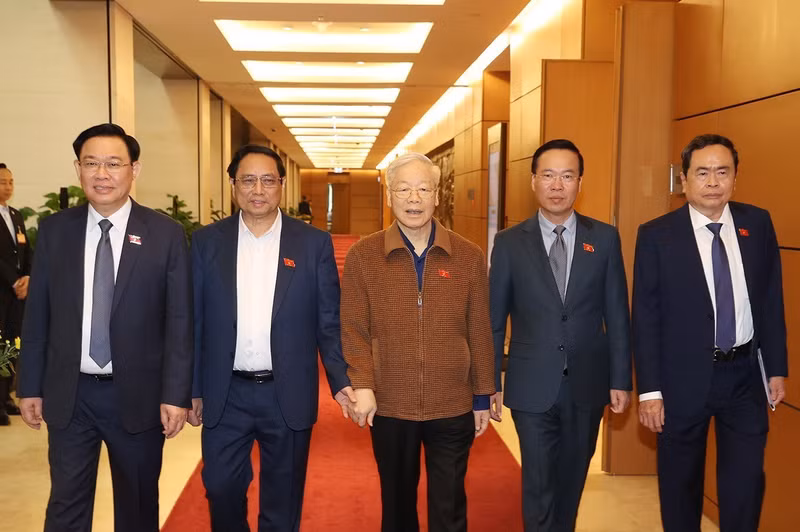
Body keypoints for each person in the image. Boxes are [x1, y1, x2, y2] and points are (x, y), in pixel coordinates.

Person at [16, 123, 193, 531]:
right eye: (91, 163)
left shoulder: (164, 234)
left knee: (136, 506)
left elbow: (180, 321)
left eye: (114, 164)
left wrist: (175, 393)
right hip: (70, 395)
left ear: (135, 169)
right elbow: (38, 313)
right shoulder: (57, 231)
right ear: (77, 169)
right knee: (66, 505)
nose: (102, 174)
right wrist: (30, 385)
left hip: (138, 397)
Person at [189, 144, 354, 532]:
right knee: (220, 487)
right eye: (247, 180)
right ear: (233, 186)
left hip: (287, 391)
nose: (257, 189)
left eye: (267, 180)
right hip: (225, 391)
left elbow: (328, 321)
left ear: (281, 185)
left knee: (283, 497)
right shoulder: (207, 243)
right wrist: (191, 388)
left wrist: (341, 380)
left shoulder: (312, 244)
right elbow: (192, 322)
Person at [633, 134, 787, 532]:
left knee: (745, 486)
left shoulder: (758, 223)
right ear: (684, 180)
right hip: (681, 380)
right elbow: (646, 317)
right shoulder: (656, 235)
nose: (713, 181)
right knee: (681, 490)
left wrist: (777, 368)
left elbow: (771, 301)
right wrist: (649, 391)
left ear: (735, 178)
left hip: (744, 379)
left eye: (723, 171)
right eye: (702, 172)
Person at [342, 152, 495, 532]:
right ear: (390, 196)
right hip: (390, 404)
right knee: (396, 507)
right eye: (404, 189)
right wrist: (362, 384)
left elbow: (479, 328)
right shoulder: (364, 256)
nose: (414, 198)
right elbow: (353, 328)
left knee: (449, 507)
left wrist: (482, 394)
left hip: (452, 404)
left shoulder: (468, 256)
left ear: (437, 196)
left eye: (423, 189)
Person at [489, 139, 632, 531]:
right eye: (548, 175)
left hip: (587, 383)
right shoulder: (508, 243)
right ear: (533, 182)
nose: (557, 185)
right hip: (531, 383)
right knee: (538, 483)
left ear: (579, 183)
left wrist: (620, 378)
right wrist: (488, 382)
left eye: (567, 176)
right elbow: (494, 319)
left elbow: (617, 313)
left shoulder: (603, 239)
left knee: (571, 481)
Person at [0, 163, 31, 426]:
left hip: (17, 296)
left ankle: (6, 396)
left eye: (10, 181)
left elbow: (25, 251)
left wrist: (28, 278)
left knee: (12, 346)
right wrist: (13, 281)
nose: (8, 187)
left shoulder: (16, 215)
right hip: (2, 291)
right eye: (2, 182)